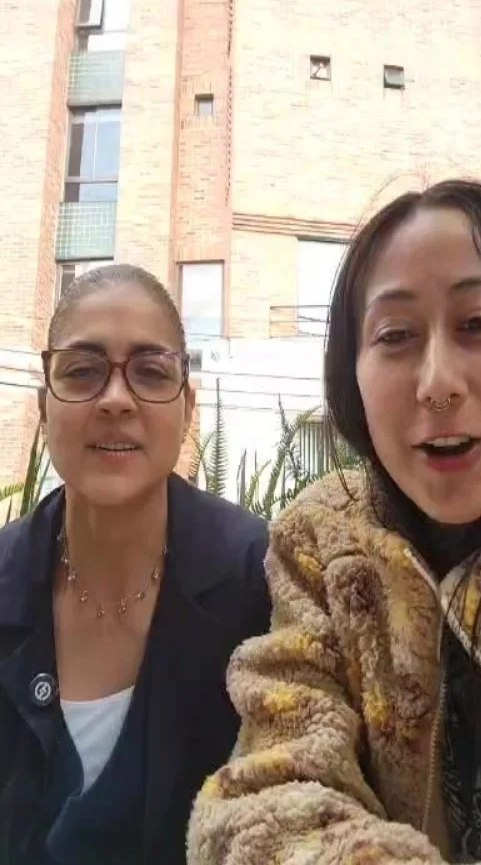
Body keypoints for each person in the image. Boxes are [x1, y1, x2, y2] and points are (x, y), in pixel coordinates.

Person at [189, 179, 481, 865]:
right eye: (395, 336)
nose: (437, 382)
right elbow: (270, 793)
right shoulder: (325, 541)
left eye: (477, 324)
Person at [0, 264, 270, 864]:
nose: (116, 399)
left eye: (150, 372)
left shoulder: (261, 581)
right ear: (44, 405)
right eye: (82, 371)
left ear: (187, 407)